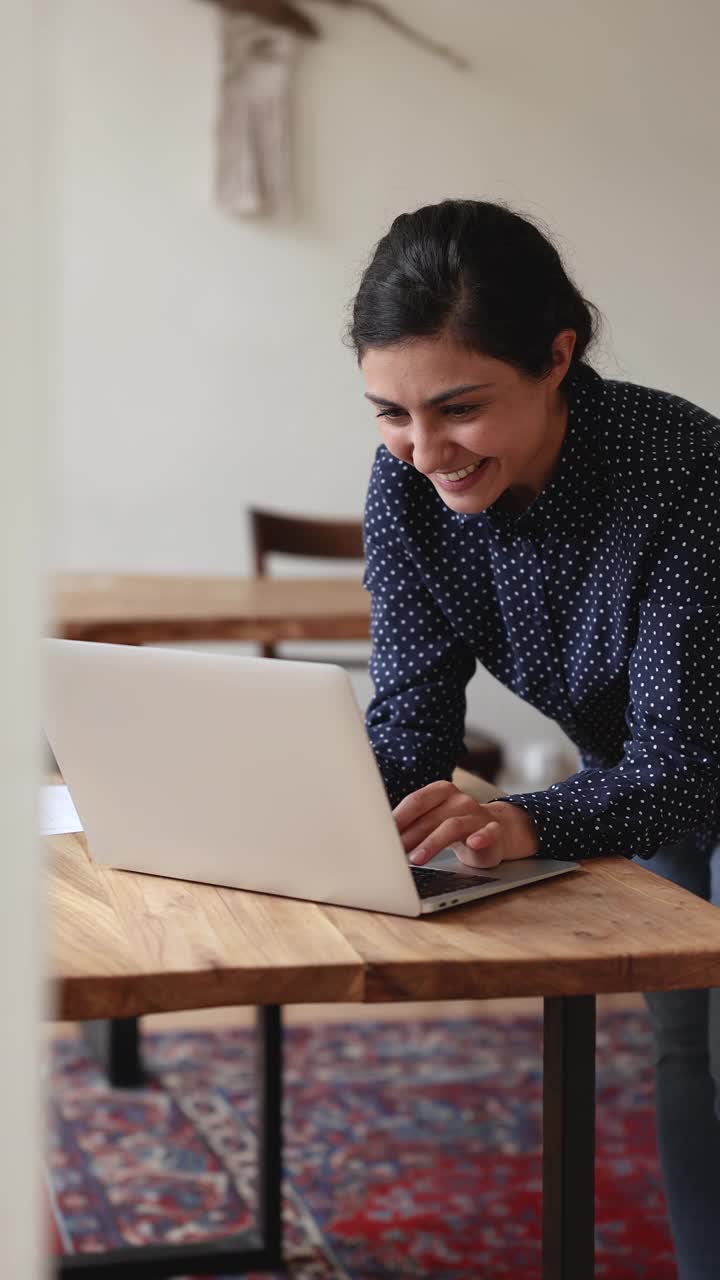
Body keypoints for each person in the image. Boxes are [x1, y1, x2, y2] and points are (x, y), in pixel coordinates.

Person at [347, 198, 720, 1280]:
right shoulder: (409, 485)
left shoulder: (689, 468)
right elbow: (413, 717)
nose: (424, 452)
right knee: (687, 1046)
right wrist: (329, 802)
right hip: (644, 779)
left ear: (559, 356)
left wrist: (521, 818)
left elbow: (688, 761)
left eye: (459, 408)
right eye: (390, 413)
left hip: (676, 766)